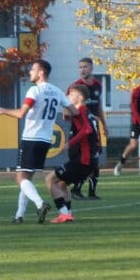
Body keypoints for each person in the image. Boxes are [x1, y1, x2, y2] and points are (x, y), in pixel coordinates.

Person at [0, 60, 77, 224]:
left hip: (32, 138)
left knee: (20, 178)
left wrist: (2, 110)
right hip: (46, 140)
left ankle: (40, 204)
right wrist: (62, 112)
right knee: (27, 177)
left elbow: (21, 113)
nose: (30, 72)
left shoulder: (34, 90)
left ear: (41, 73)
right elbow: (74, 111)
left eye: (32, 69)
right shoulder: (57, 91)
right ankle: (20, 215)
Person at [46, 85, 100, 223]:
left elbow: (87, 130)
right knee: (62, 184)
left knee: (50, 180)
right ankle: (68, 214)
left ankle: (63, 213)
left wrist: (70, 143)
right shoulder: (84, 112)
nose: (68, 97)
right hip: (89, 161)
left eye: (71, 95)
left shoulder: (81, 111)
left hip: (83, 160)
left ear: (80, 98)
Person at [68, 57, 106, 199]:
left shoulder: (98, 85)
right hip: (80, 131)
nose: (82, 70)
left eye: (85, 67)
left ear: (91, 68)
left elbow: (99, 107)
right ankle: (75, 189)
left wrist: (104, 125)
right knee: (85, 163)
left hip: (93, 131)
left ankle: (91, 191)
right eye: (80, 67)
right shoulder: (74, 87)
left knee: (94, 162)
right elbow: (67, 108)